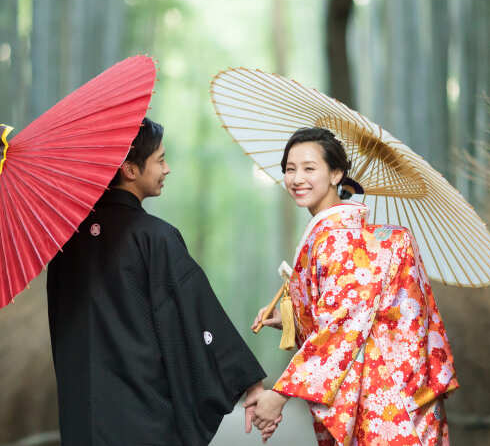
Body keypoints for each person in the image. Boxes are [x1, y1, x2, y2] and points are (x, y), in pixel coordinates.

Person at [47, 117, 268, 445]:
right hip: (142, 417)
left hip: (82, 417)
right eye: (160, 160)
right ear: (130, 169)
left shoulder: (64, 243)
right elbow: (194, 314)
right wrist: (246, 379)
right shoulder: (154, 237)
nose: (167, 169)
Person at [246, 127, 459, 445]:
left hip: (388, 400)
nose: (297, 178)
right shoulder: (334, 233)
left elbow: (343, 326)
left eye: (309, 168)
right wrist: (290, 320)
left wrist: (279, 395)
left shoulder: (343, 238)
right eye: (290, 169)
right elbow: (351, 315)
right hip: (382, 392)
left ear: (336, 173)